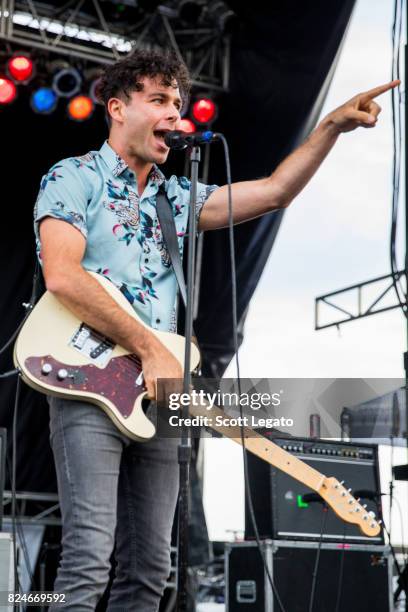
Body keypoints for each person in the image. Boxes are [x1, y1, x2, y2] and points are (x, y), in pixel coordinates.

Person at [34, 48, 398, 611]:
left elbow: (275, 191)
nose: (175, 116)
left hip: (159, 395)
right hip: (88, 382)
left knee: (152, 569)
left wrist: (330, 127)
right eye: (158, 101)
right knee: (88, 559)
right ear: (116, 108)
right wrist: (151, 348)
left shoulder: (175, 199)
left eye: (178, 105)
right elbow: (62, 275)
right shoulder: (72, 177)